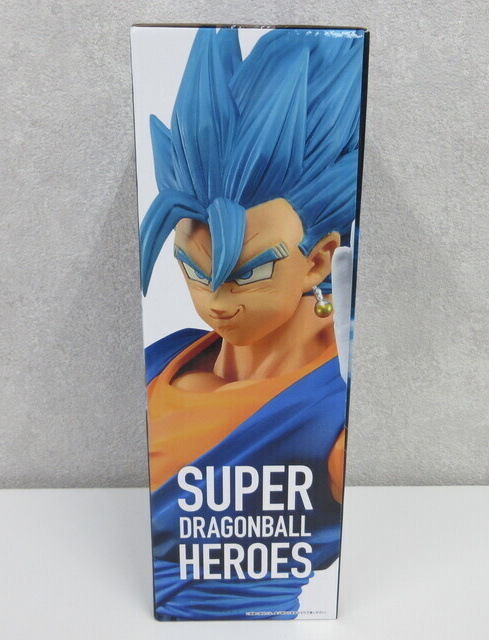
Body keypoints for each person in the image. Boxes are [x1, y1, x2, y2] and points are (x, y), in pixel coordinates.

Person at [138, 26, 364, 620]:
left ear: (320, 258)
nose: (216, 302)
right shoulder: (163, 358)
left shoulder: (336, 404)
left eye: (252, 272)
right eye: (193, 270)